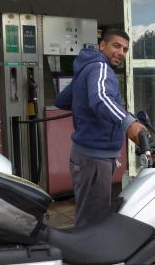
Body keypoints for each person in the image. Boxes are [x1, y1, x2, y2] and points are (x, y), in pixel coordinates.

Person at [55, 28, 147, 227]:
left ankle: (83, 252)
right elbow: (101, 98)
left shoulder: (86, 68)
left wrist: (82, 104)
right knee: (94, 221)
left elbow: (62, 100)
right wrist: (129, 123)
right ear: (102, 45)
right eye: (116, 46)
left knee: (87, 213)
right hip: (95, 158)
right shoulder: (100, 68)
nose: (120, 53)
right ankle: (88, 256)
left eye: (124, 49)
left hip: (85, 156)